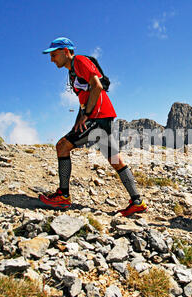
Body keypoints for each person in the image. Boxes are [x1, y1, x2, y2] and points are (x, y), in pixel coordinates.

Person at [40, 37, 148, 216]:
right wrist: (78, 121)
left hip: (98, 117)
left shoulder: (80, 61)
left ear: (66, 51)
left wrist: (88, 116)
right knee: (115, 160)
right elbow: (85, 97)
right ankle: (137, 201)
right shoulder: (72, 71)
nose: (52, 59)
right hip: (102, 116)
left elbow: (97, 86)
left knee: (62, 146)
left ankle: (63, 196)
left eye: (54, 54)